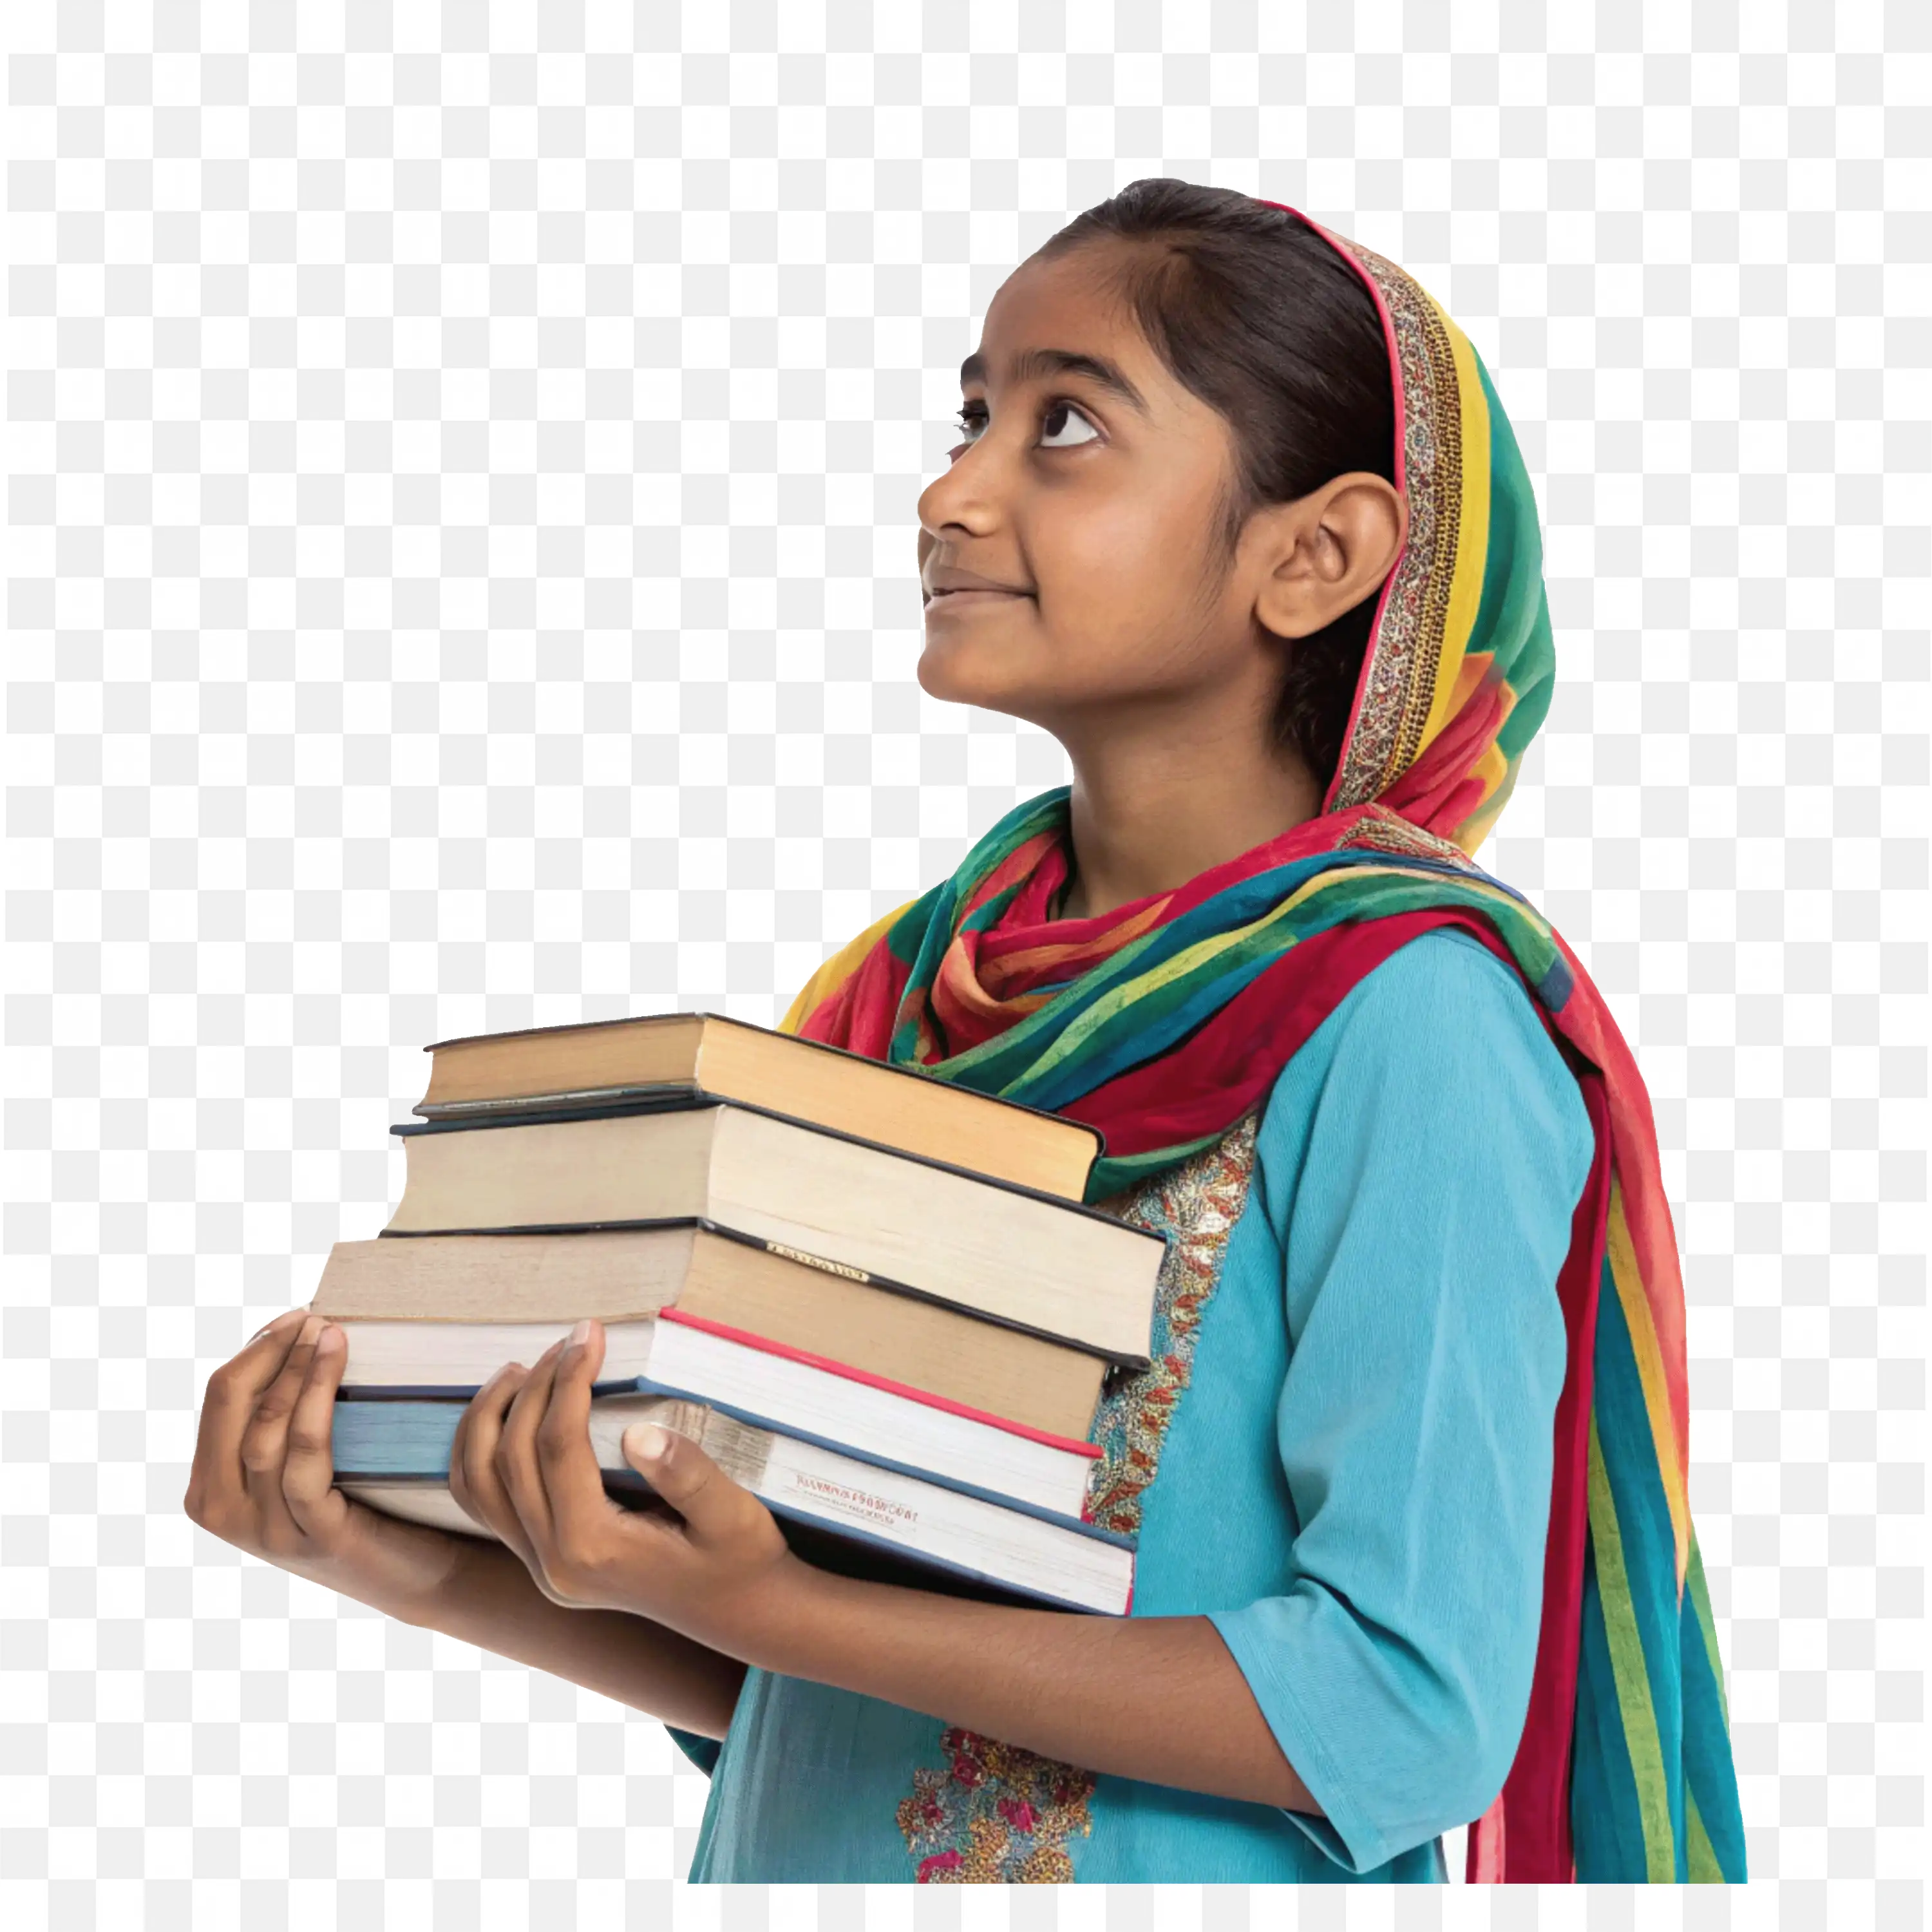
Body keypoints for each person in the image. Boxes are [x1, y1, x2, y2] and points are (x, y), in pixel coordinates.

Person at [185, 180, 1745, 1884]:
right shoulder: (909, 1015)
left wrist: (784, 1607)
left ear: (1316, 555)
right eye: (973, 417)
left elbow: (1407, 1707)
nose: (951, 493)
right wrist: (394, 1554)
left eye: (1064, 424)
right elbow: (797, 1676)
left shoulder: (1410, 1023)